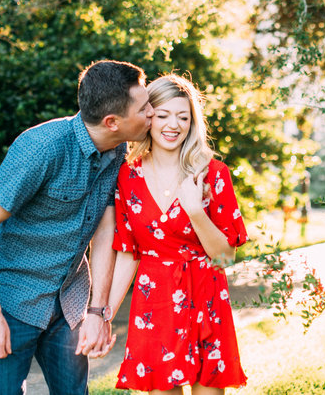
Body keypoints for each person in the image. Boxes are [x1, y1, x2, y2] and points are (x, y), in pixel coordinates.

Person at [0, 60, 154, 395]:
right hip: (14, 303)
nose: (152, 112)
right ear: (112, 122)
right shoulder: (42, 148)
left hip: (70, 303)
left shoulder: (117, 150)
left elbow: (104, 229)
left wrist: (98, 311)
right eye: (144, 108)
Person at [106, 74, 248, 394]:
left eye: (183, 116)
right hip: (154, 298)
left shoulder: (213, 173)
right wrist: (104, 315)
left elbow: (225, 257)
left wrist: (196, 211)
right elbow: (128, 252)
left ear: (192, 122)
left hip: (206, 293)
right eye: (164, 114)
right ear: (148, 116)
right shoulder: (128, 175)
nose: (174, 125)